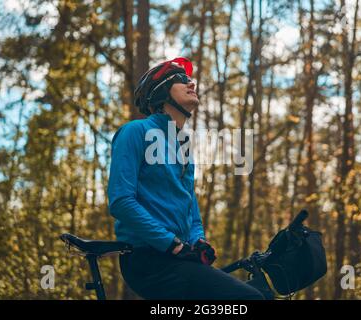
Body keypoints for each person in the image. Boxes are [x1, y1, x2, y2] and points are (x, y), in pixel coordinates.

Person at [107, 57, 264, 300]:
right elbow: (121, 202)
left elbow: (190, 205)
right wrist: (172, 244)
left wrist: (197, 240)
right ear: (161, 93)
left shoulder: (182, 146)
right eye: (181, 80)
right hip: (147, 260)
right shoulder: (135, 132)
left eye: (190, 80)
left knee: (263, 291)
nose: (192, 84)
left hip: (177, 257)